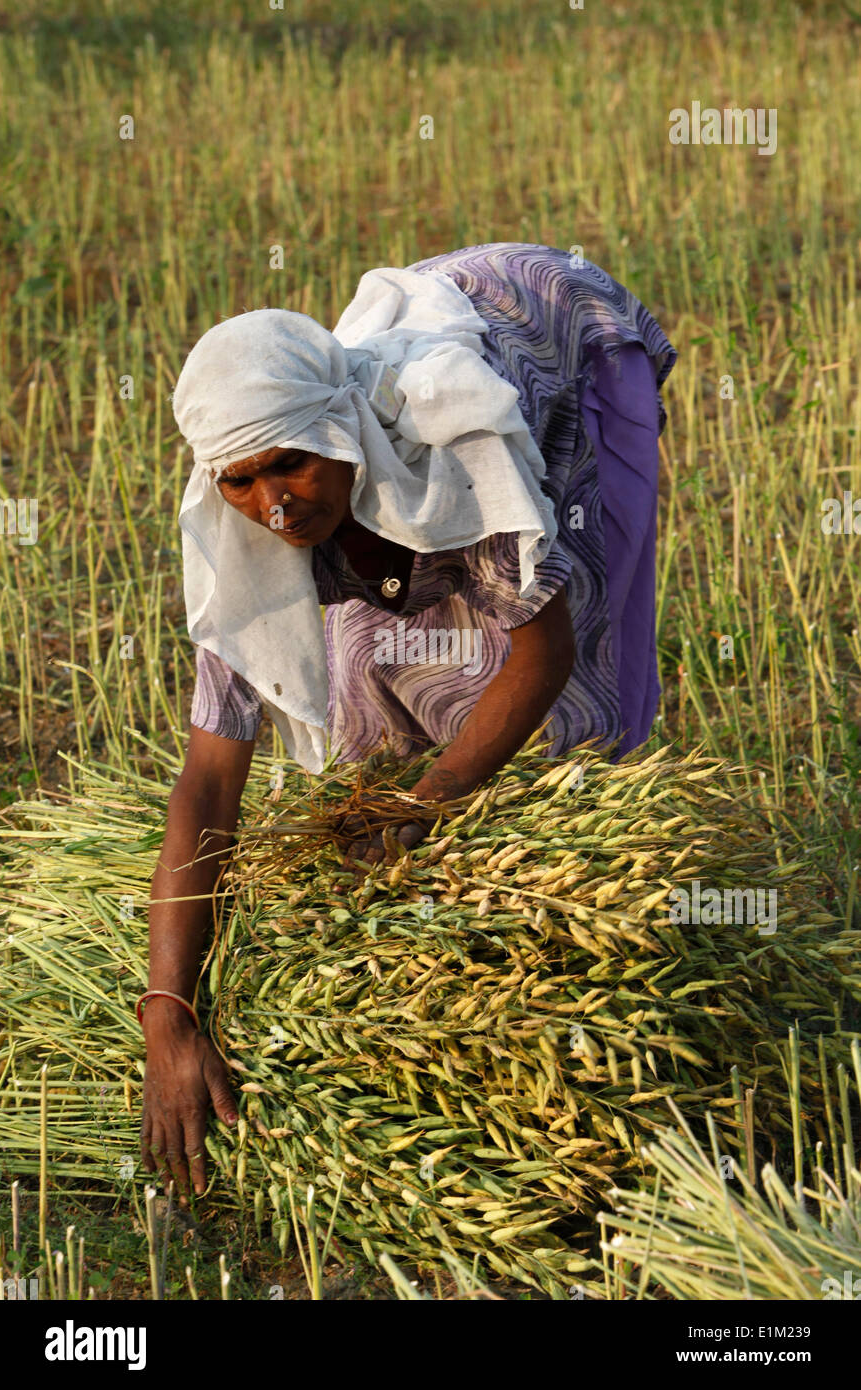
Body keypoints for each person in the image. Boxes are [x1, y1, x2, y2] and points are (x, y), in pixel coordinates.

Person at [140, 241, 677, 1195]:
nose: (272, 504)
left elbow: (540, 649)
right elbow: (210, 779)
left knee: (569, 678)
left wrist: (428, 804)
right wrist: (168, 1015)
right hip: (407, 427)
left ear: (340, 436)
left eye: (293, 465)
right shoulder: (247, 535)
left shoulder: (461, 446)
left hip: (556, 347)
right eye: (241, 479)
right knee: (371, 697)